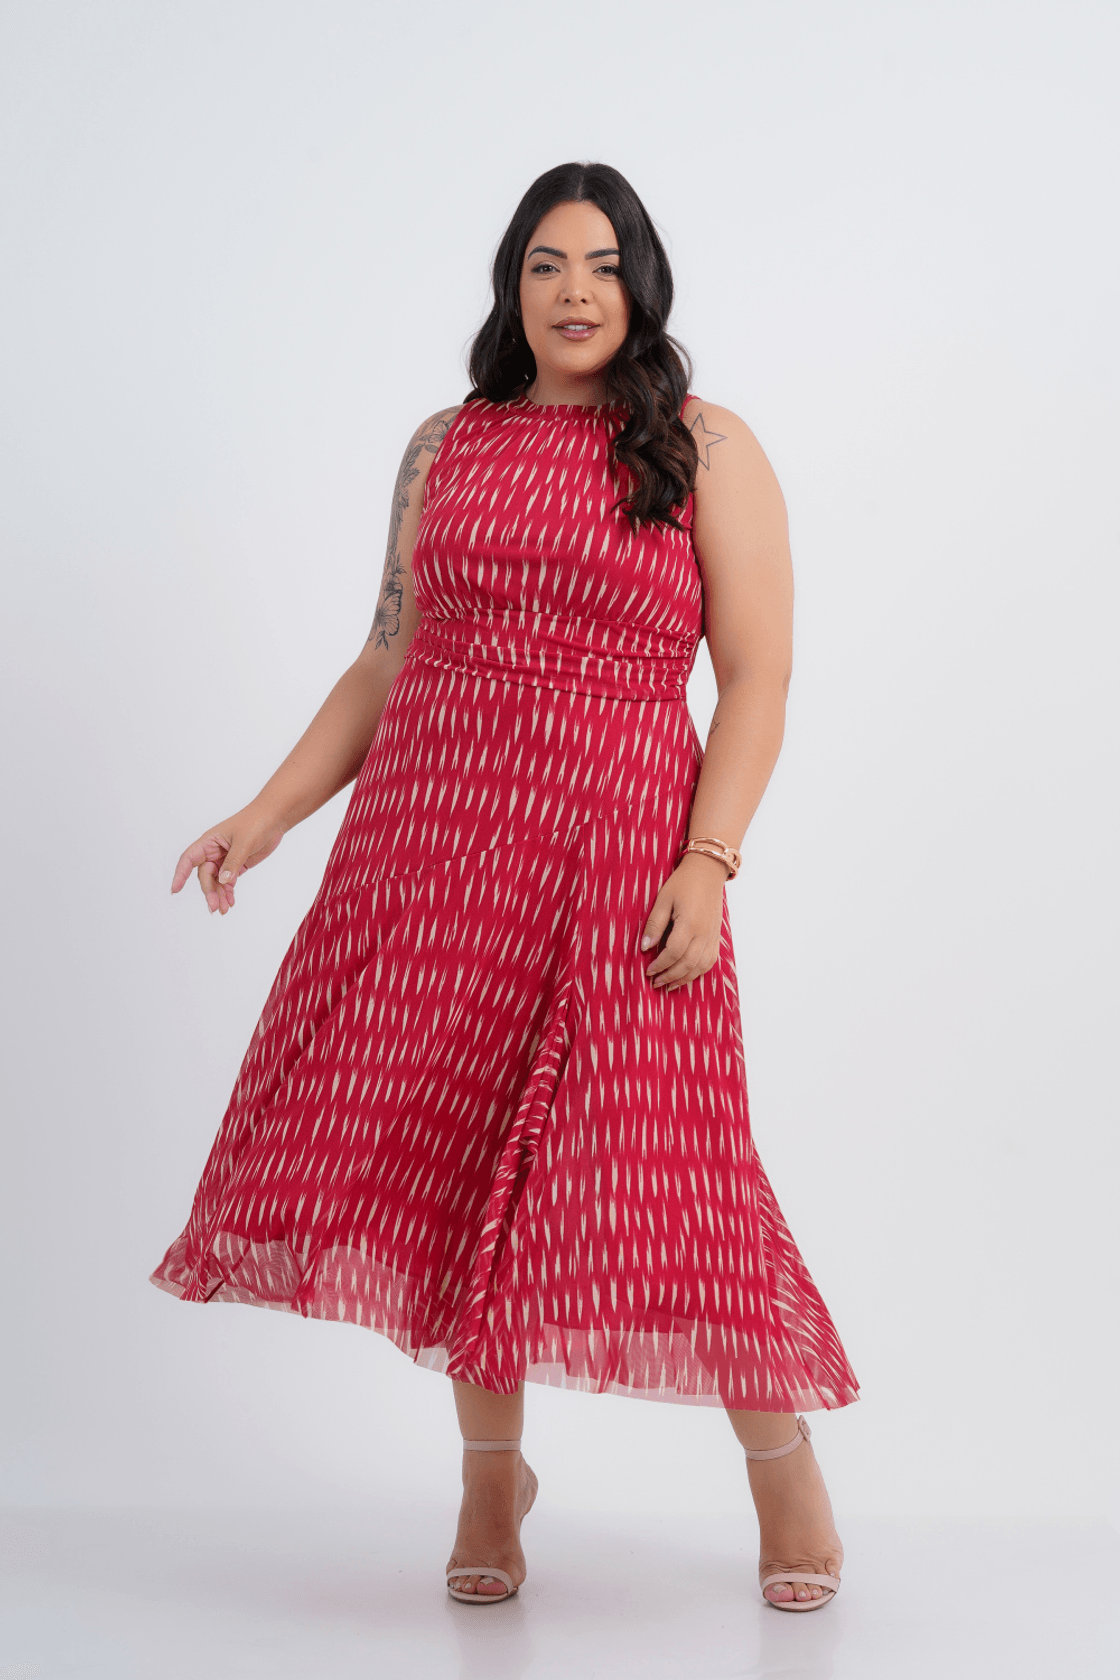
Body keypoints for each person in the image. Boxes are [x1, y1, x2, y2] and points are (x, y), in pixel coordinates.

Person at [151, 161, 859, 1613]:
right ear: (511, 286)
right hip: (437, 845)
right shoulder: (446, 444)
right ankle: (490, 1477)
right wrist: (266, 816)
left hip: (620, 858)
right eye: (545, 264)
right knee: (456, 1155)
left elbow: (759, 678)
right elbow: (386, 658)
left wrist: (710, 860)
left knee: (679, 1168)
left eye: (601, 265)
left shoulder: (705, 445)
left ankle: (783, 1466)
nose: (574, 292)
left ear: (641, 284)